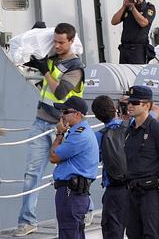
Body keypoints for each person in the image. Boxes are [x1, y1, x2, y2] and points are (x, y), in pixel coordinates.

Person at [14, 23, 85, 237]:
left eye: (61, 42)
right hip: (41, 121)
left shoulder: (75, 67)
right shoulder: (51, 56)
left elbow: (61, 93)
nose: (56, 45)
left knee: (72, 171)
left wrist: (45, 70)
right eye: (54, 41)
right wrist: (33, 41)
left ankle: (87, 209)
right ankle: (27, 221)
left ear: (71, 41)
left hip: (62, 125)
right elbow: (31, 58)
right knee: (31, 173)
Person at [124, 85, 159, 239]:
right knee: (133, 234)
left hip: (151, 192)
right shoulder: (130, 131)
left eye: (135, 103)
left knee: (152, 234)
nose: (130, 105)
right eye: (129, 102)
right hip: (132, 191)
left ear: (147, 105)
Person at [50, 96, 98, 239]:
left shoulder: (79, 135)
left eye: (65, 112)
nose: (61, 115)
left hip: (70, 193)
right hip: (76, 193)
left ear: (77, 114)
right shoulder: (80, 133)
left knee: (68, 232)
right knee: (75, 233)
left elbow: (53, 157)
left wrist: (59, 134)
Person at [91, 96, 129, 239]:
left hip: (114, 189)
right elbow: (156, 111)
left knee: (112, 232)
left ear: (97, 116)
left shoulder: (99, 136)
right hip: (137, 187)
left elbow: (90, 160)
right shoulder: (132, 125)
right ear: (115, 109)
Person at [111, 0, 156, 64]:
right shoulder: (128, 8)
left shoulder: (148, 7)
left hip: (138, 50)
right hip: (124, 49)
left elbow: (143, 23)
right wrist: (124, 6)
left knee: (137, 74)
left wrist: (133, 8)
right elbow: (114, 21)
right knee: (124, 74)